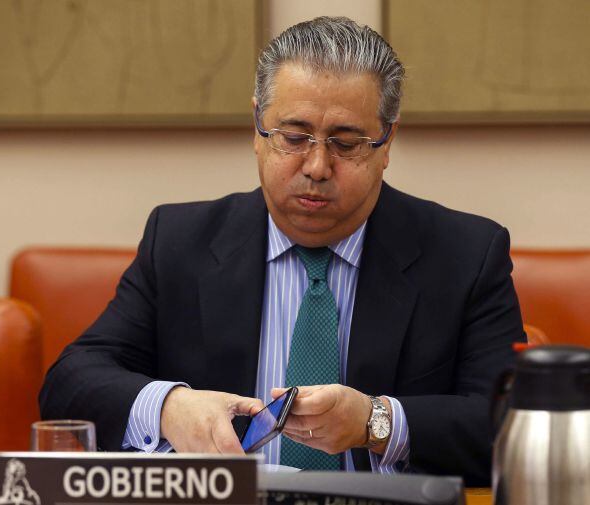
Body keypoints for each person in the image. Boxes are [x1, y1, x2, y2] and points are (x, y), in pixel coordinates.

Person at [40, 17, 524, 485]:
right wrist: (169, 408)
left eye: (347, 143)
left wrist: (377, 423)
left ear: (387, 141)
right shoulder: (180, 240)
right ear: (257, 127)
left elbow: (512, 424)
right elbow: (70, 384)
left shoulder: (465, 254)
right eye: (293, 137)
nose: (316, 166)